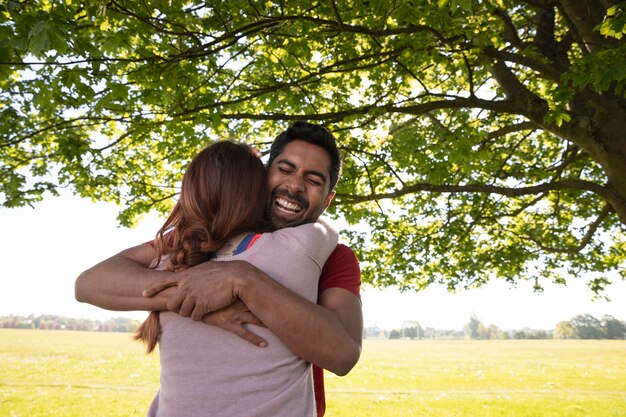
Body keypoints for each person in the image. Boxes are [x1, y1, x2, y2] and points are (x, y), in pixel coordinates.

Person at [75, 121, 363, 416]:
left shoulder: (334, 257)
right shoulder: (201, 239)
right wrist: (201, 302)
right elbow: (90, 283)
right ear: (263, 175)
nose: (294, 186)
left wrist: (241, 278)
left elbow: (342, 356)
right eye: (285, 170)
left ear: (328, 200)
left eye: (313, 180)